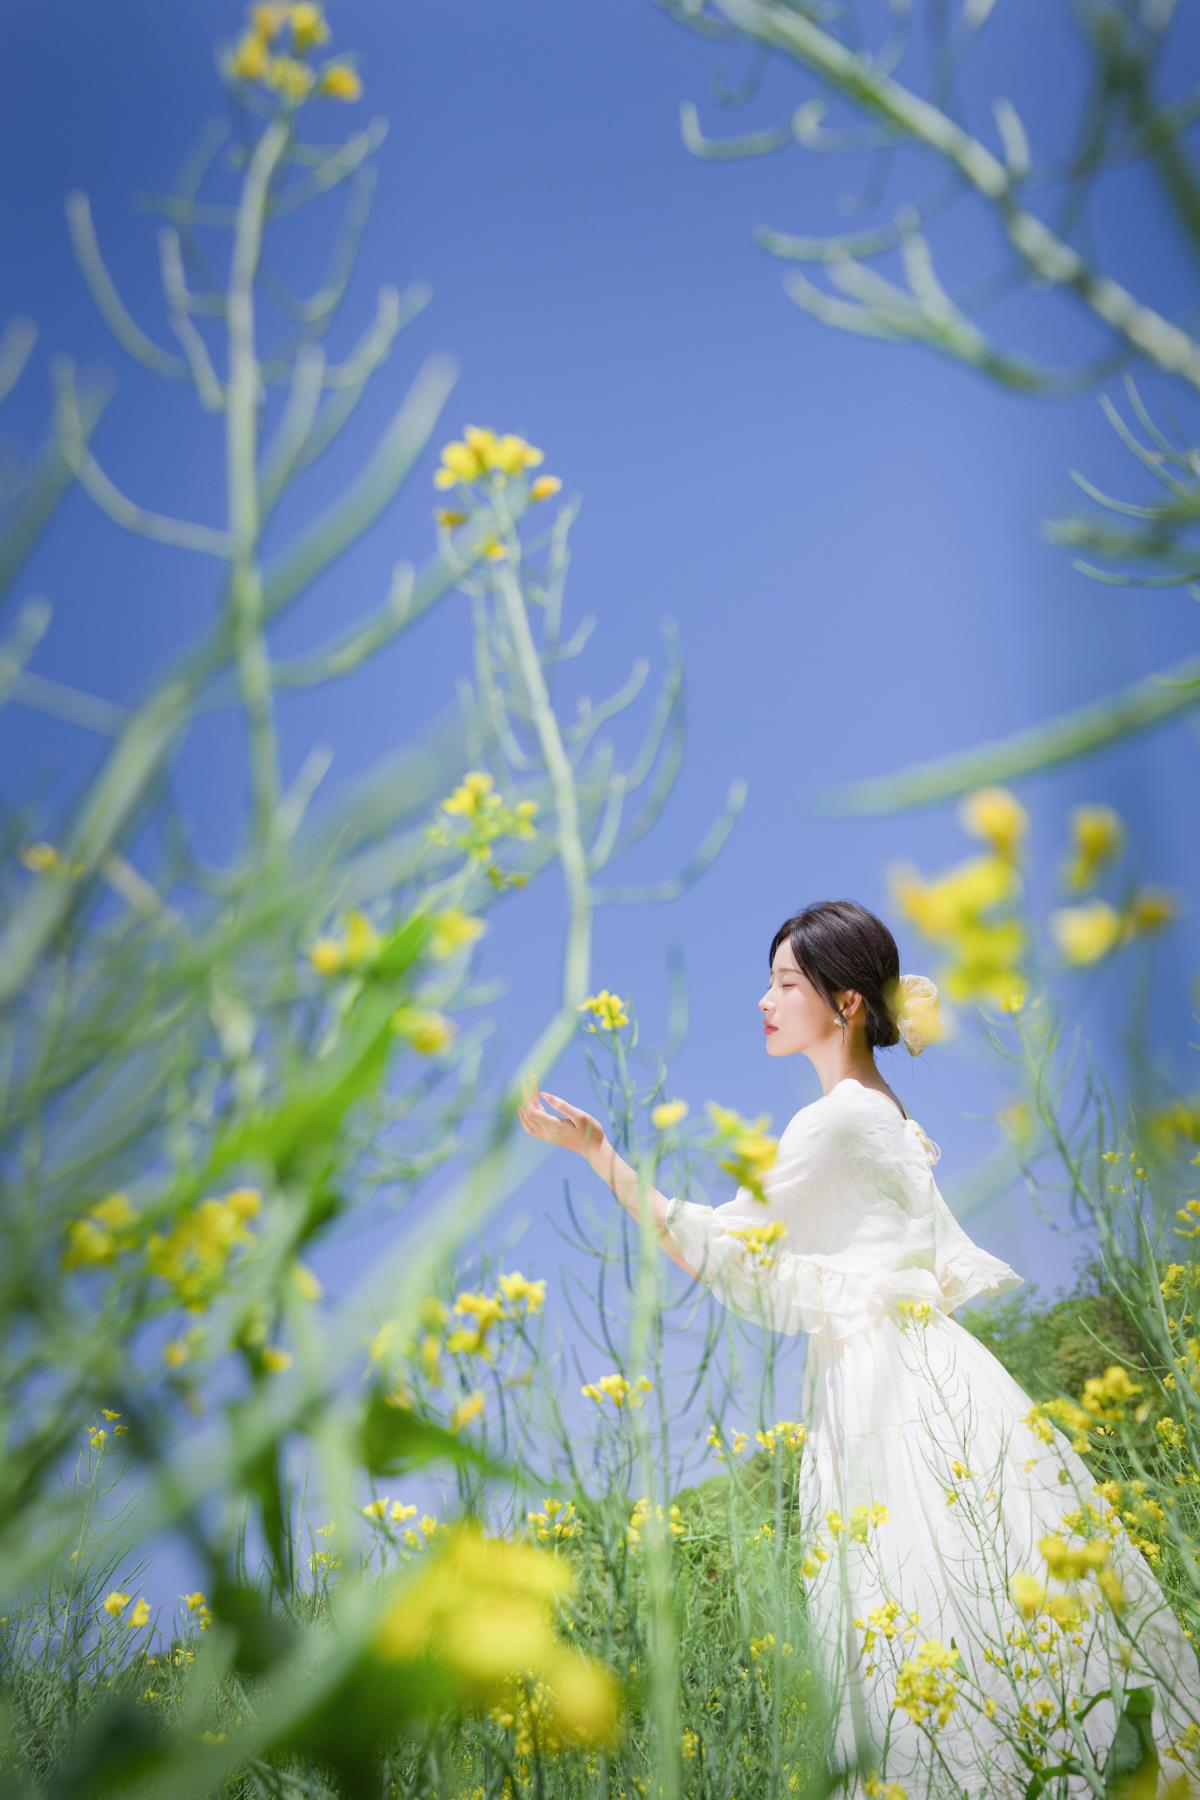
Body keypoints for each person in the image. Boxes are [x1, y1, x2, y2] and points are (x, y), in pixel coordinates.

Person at [516, 899, 1200, 1798]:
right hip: (933, 1367)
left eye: (786, 983)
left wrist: (600, 1155)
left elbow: (718, 1246)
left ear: (844, 1004)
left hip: (885, 1386)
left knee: (917, 1614)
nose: (764, 1001)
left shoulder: (836, 1118)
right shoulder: (887, 1109)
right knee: (990, 1607)